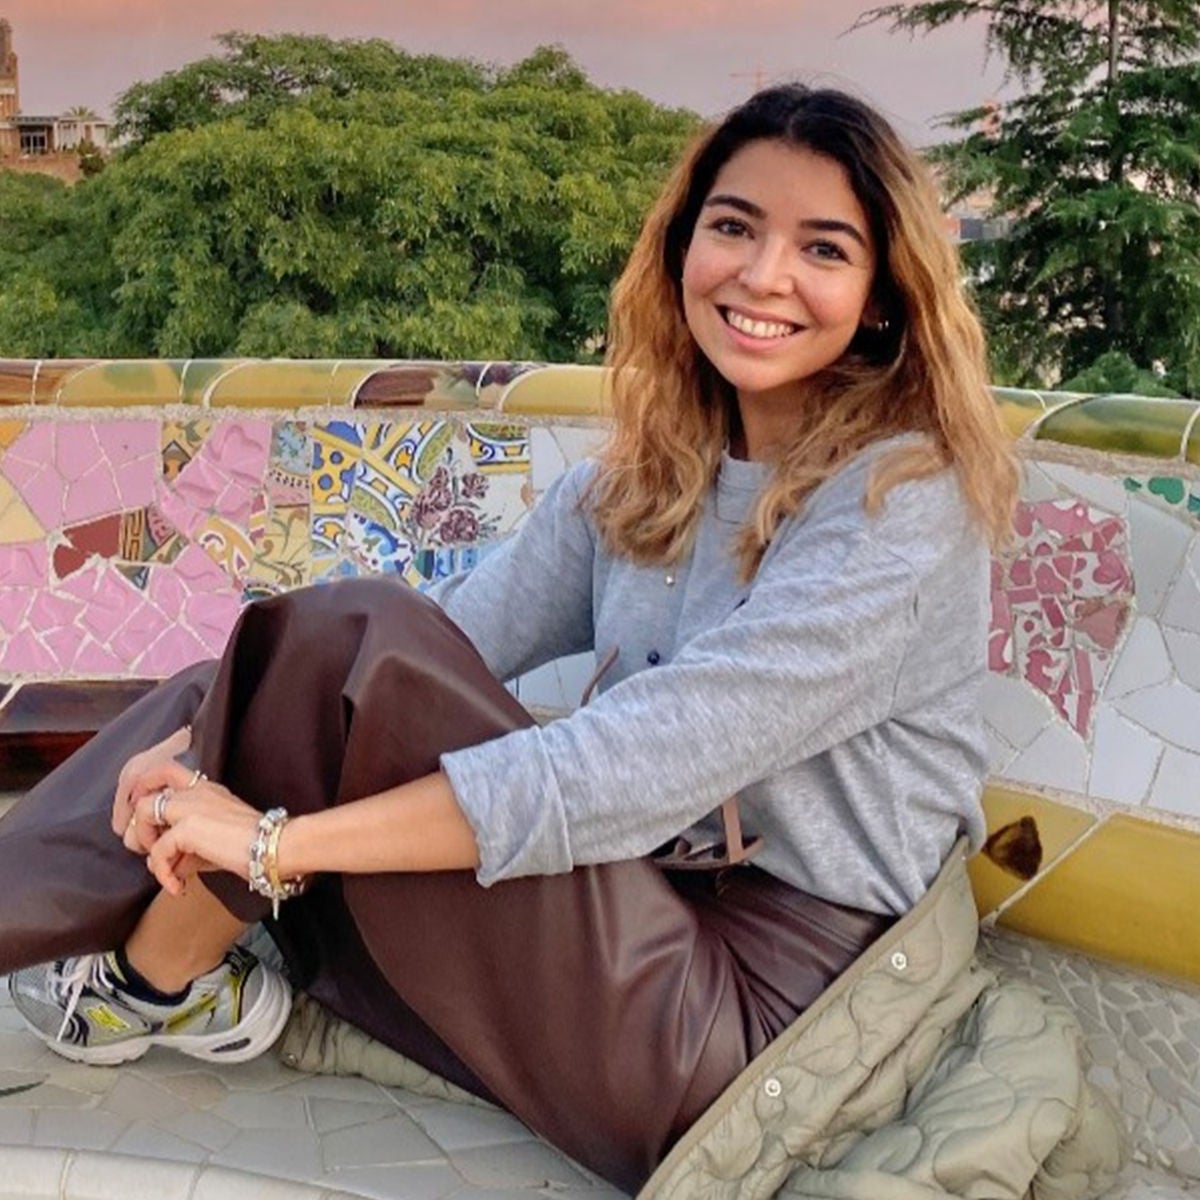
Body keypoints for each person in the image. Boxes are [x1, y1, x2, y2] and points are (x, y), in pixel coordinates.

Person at [0, 84, 1017, 1194]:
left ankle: (143, 987)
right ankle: (109, 955)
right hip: (634, 914)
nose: (765, 275)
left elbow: (631, 766)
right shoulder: (642, 484)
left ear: (881, 296)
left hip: (747, 1026)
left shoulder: (899, 505)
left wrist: (277, 846)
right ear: (682, 249)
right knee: (326, 643)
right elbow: (432, 647)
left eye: (823, 248)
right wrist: (204, 736)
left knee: (344, 649)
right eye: (734, 226)